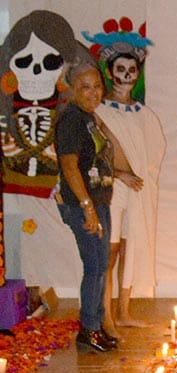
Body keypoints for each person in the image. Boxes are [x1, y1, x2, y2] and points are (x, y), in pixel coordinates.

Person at [95, 39, 166, 334]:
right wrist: (119, 173)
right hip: (111, 188)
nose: (126, 74)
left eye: (132, 69)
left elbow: (154, 153)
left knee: (130, 248)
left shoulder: (143, 113)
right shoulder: (99, 110)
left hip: (136, 191)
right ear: (110, 72)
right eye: (121, 68)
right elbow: (94, 152)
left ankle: (123, 312)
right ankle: (105, 316)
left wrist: (140, 177)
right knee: (109, 252)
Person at [55, 61, 117, 353]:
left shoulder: (87, 117)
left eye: (97, 86)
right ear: (72, 90)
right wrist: (87, 207)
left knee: (100, 266)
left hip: (96, 201)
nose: (93, 93)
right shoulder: (71, 120)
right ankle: (89, 331)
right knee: (94, 267)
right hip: (82, 205)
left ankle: (96, 327)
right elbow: (69, 166)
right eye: (85, 87)